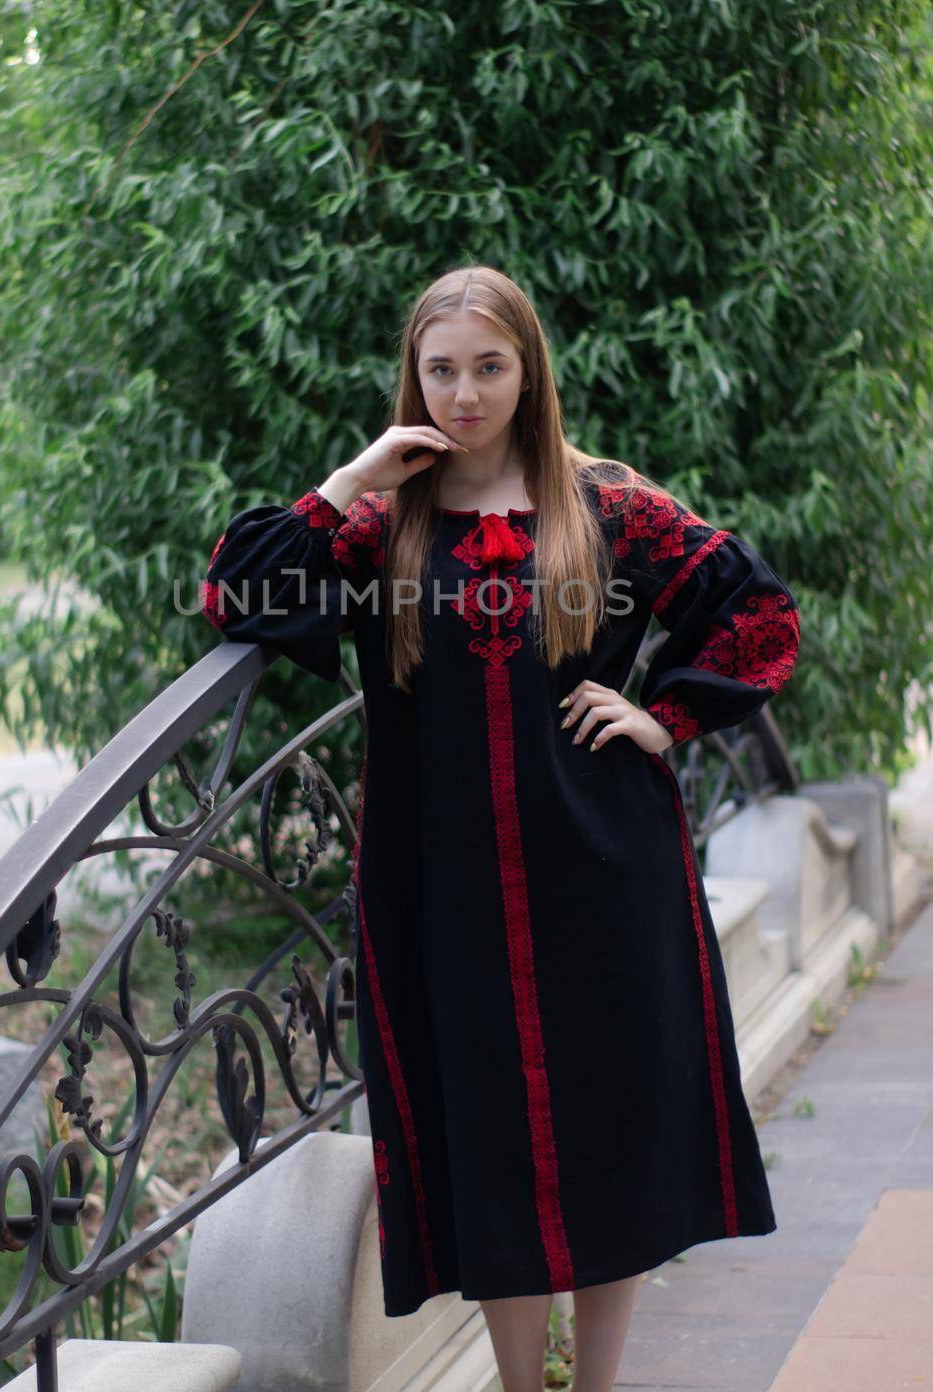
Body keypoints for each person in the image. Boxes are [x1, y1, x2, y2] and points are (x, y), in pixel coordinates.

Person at [201, 265, 801, 1392]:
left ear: (527, 371)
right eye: (440, 370)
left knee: (606, 1131)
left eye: (488, 367)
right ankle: (521, 1383)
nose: (464, 393)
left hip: (603, 868)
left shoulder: (606, 502)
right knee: (485, 1136)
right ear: (411, 375)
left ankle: (600, 1382)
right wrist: (347, 480)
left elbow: (756, 614)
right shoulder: (383, 522)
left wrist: (662, 714)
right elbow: (234, 592)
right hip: (441, 886)